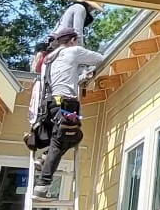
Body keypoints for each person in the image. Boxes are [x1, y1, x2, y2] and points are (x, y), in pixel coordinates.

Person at [28, 29, 106, 193]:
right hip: (65, 104)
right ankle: (42, 185)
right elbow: (100, 59)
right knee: (62, 140)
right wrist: (88, 69)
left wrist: (81, 76)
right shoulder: (74, 51)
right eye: (76, 40)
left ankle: (44, 158)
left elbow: (60, 78)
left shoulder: (49, 59)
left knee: (74, 136)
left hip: (48, 105)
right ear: (72, 40)